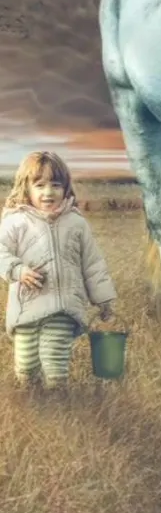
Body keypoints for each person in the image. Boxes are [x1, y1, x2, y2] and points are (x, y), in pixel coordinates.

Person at [0, 150, 117, 391]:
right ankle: (33, 404)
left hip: (63, 307)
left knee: (54, 361)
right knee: (26, 366)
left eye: (55, 184)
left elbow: (92, 263)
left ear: (65, 187)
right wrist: (17, 269)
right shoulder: (15, 222)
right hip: (26, 308)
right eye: (40, 185)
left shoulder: (76, 223)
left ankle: (58, 400)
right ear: (26, 188)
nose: (48, 192)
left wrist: (103, 299)